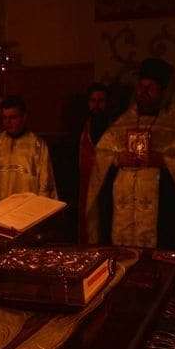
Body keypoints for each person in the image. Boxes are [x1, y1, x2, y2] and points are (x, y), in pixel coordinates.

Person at [84, 58, 175, 250]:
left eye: (150, 88)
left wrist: (163, 160)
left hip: (162, 215)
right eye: (141, 87)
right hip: (121, 214)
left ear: (163, 92)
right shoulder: (120, 125)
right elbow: (101, 155)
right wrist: (117, 159)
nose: (143, 92)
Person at [0, 95, 57, 210]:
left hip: (27, 212)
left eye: (13, 117)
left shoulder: (38, 145)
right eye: (4, 118)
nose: (8, 122)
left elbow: (45, 182)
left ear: (24, 117)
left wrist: (41, 211)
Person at [78, 82, 112, 240]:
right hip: (87, 183)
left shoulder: (114, 128)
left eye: (101, 101)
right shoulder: (82, 126)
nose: (96, 105)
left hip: (107, 185)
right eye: (93, 100)